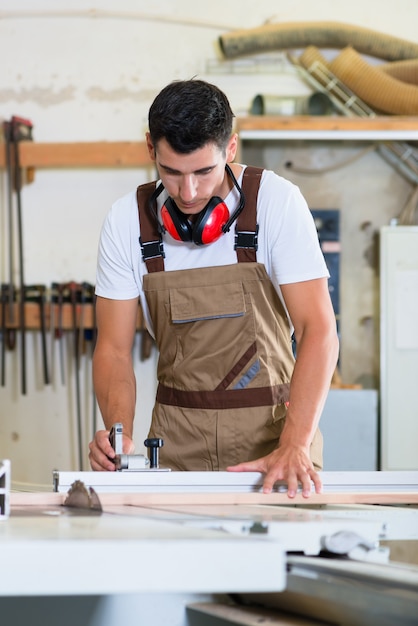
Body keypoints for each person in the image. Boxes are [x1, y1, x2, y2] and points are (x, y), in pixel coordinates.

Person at [88, 79, 339, 498]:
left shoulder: (276, 203)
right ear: (151, 149)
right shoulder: (126, 221)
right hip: (175, 442)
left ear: (231, 148)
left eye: (204, 172)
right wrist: (121, 438)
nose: (188, 193)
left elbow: (319, 330)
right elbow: (113, 349)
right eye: (171, 173)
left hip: (275, 439)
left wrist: (295, 443)